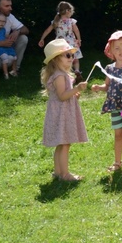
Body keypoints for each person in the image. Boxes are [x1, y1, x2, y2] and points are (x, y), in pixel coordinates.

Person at [92, 31, 122, 173]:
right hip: (115, 106)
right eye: (117, 48)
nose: (121, 50)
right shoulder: (110, 69)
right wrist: (99, 87)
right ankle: (117, 162)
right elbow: (107, 86)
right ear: (111, 51)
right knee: (118, 134)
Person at [41, 39, 89, 182]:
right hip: (61, 114)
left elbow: (65, 94)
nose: (71, 58)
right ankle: (65, 174)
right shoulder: (60, 75)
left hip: (61, 112)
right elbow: (62, 96)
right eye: (67, 55)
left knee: (62, 143)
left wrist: (74, 94)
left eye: (71, 55)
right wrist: (77, 88)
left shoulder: (61, 74)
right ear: (56, 60)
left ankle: (58, 172)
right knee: (65, 143)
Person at [37, 1, 83, 80]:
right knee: (75, 58)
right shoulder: (71, 21)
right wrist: (79, 39)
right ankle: (76, 70)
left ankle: (64, 73)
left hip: (60, 44)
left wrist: (42, 39)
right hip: (71, 42)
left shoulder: (56, 21)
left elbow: (48, 30)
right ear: (67, 11)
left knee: (62, 59)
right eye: (71, 11)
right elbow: (76, 30)